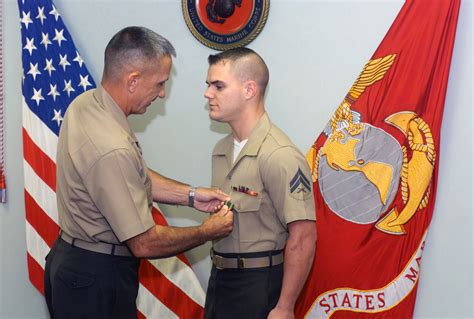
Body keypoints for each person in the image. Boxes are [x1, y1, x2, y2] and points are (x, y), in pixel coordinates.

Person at [44, 26, 233, 319]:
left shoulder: (87, 104)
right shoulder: (111, 146)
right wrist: (206, 231)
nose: (161, 94)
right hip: (95, 279)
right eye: (159, 84)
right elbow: (144, 242)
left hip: (74, 263)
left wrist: (191, 196)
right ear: (133, 80)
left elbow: (132, 175)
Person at [203, 47, 316, 319]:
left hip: (259, 284)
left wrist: (285, 306)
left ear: (249, 90)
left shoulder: (279, 155)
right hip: (221, 280)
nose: (208, 94)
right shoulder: (221, 150)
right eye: (208, 86)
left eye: (218, 86)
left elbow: (304, 237)